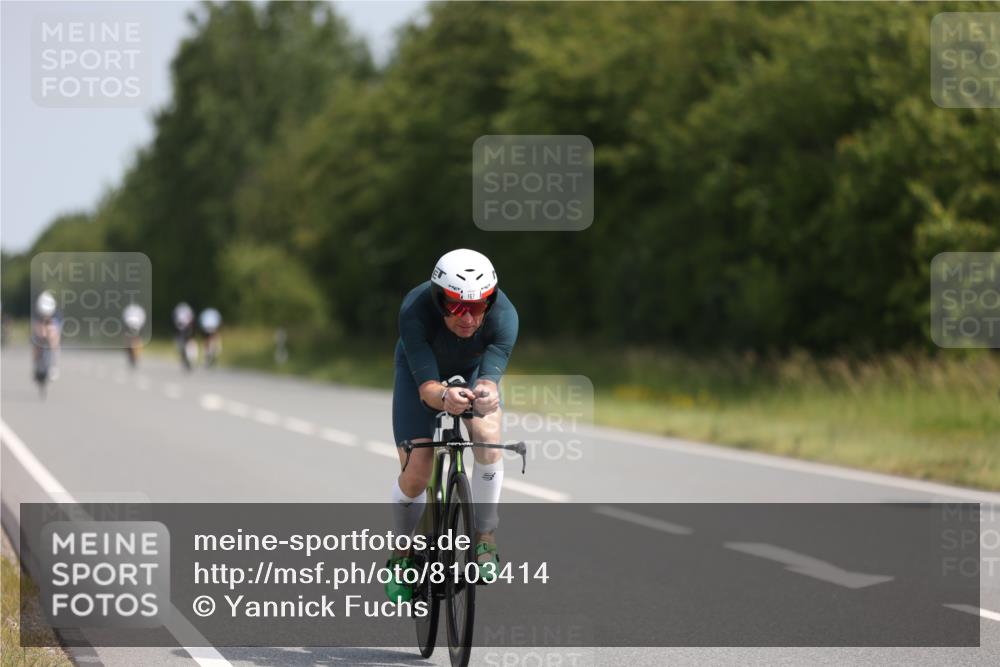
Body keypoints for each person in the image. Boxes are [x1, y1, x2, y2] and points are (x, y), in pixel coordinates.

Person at [385, 248, 519, 603]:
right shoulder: (415, 310)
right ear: (438, 299)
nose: (468, 318)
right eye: (456, 307)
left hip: (470, 373)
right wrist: (444, 396)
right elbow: (428, 389)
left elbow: (489, 383)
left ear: (490, 301)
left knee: (488, 437)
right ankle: (401, 553)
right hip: (420, 376)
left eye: (477, 306)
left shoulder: (505, 316)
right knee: (417, 471)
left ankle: (485, 538)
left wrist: (486, 396)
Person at [31, 291, 61, 396]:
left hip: (52, 326)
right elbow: (36, 326)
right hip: (39, 327)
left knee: (54, 338)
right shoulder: (37, 313)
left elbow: (56, 327)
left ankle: (54, 365)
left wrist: (51, 334)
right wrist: (40, 333)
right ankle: (35, 364)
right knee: (36, 340)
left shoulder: (56, 313)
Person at [173, 302, 197, 371]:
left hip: (186, 330)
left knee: (187, 343)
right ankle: (185, 359)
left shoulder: (182, 311)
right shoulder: (184, 311)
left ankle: (189, 359)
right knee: (181, 346)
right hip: (182, 330)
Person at [122, 303, 147, 368]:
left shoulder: (137, 310)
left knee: (136, 340)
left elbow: (142, 318)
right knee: (129, 340)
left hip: (136, 326)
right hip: (130, 326)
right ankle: (130, 352)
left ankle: (136, 354)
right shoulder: (130, 310)